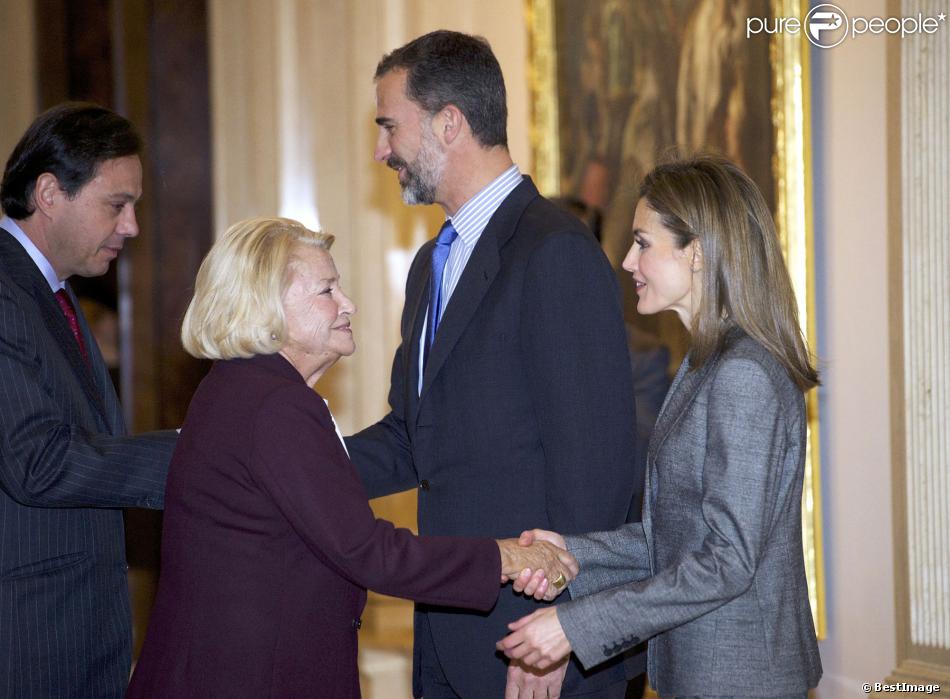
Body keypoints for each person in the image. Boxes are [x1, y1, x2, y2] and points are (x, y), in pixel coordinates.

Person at [125, 217, 575, 699]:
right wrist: (505, 556)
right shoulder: (275, 405)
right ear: (266, 308)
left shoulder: (236, 388)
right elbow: (369, 553)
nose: (349, 305)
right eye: (327, 290)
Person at [347, 30, 641, 698]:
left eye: (390, 126)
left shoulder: (553, 251)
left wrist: (562, 630)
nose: (380, 150)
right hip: (449, 629)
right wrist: (289, 458)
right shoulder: (431, 265)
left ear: (448, 124)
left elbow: (598, 473)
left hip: (534, 649)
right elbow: (414, 436)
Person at [498, 155, 823, 697]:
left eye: (643, 243)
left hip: (741, 680)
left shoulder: (743, 373)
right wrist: (572, 551)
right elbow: (674, 537)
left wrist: (574, 627)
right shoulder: (705, 363)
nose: (627, 261)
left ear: (696, 252)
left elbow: (726, 563)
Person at [0, 102, 177, 698]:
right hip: (27, 638)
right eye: (117, 205)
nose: (130, 227)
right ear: (50, 193)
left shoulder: (51, 291)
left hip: (73, 629)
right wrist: (192, 452)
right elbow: (38, 462)